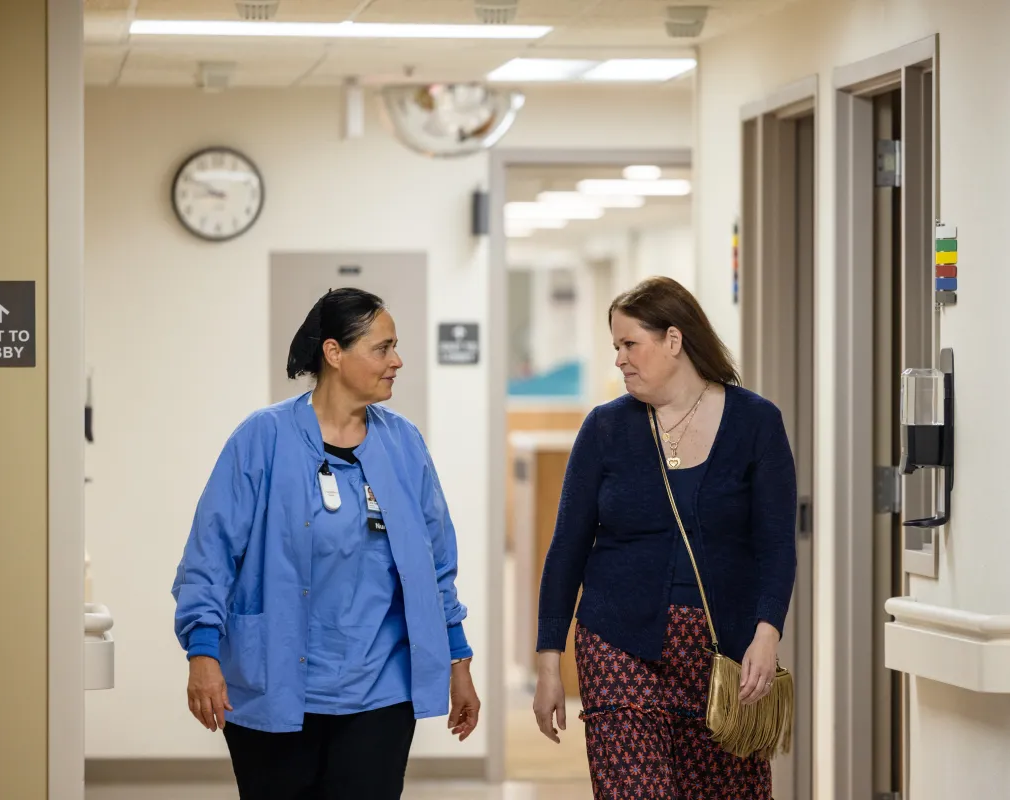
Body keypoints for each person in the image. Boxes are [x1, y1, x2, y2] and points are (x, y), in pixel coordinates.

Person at [172, 287, 480, 800]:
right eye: (382, 348)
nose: (397, 361)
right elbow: (210, 553)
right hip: (274, 685)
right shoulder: (262, 438)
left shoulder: (403, 444)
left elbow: (437, 562)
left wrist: (458, 660)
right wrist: (202, 653)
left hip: (379, 690)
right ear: (334, 353)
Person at [532, 276, 797, 799]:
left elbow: (775, 544)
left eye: (630, 344)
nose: (619, 359)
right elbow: (566, 549)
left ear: (674, 340)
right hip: (619, 645)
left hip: (725, 654)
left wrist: (767, 633)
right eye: (616, 347)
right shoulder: (605, 429)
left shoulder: (757, 422)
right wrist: (548, 661)